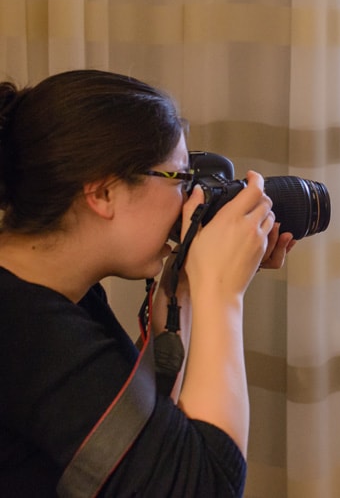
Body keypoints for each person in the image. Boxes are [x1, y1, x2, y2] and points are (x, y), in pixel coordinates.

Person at [0, 69, 295, 496]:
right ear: (103, 194)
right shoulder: (28, 333)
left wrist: (185, 291)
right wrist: (221, 295)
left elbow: (144, 445)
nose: (190, 198)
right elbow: (203, 487)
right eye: (178, 178)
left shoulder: (56, 295)